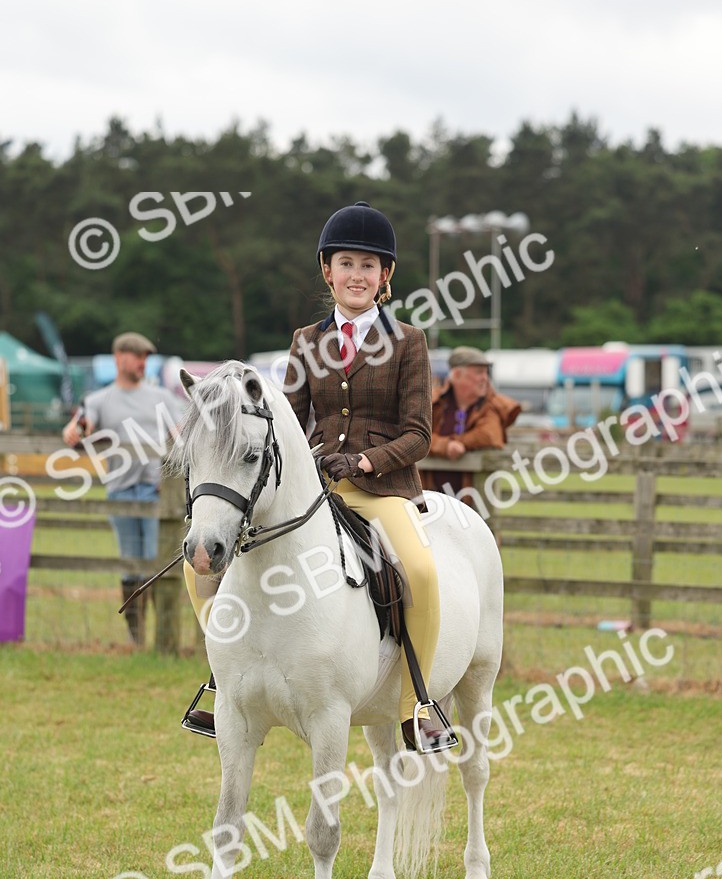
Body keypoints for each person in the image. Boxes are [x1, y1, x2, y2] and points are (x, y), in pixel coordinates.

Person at [182, 201, 455, 754]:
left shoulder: (409, 342)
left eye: (369, 266)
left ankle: (417, 705)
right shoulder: (306, 340)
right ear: (328, 272)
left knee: (421, 572)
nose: (358, 276)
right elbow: (290, 419)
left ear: (385, 277)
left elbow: (419, 434)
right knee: (197, 569)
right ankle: (226, 675)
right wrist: (308, 458)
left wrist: (367, 461)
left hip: (381, 491)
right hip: (316, 493)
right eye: (347, 264)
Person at [62, 331, 182, 645]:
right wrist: (73, 431)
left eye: (146, 357)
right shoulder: (100, 399)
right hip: (120, 493)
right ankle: (136, 637)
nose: (143, 362)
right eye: (138, 356)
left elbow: (182, 432)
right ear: (120, 358)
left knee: (157, 565)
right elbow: (79, 425)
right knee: (131, 565)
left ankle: (163, 638)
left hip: (156, 492)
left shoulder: (161, 398)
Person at [421, 346, 522, 495]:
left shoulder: (492, 405)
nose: (485, 379)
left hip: (475, 499)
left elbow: (489, 435)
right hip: (430, 493)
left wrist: (460, 443)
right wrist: (445, 446)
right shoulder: (433, 402)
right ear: (456, 375)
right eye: (478, 373)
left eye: (486, 373)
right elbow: (416, 437)